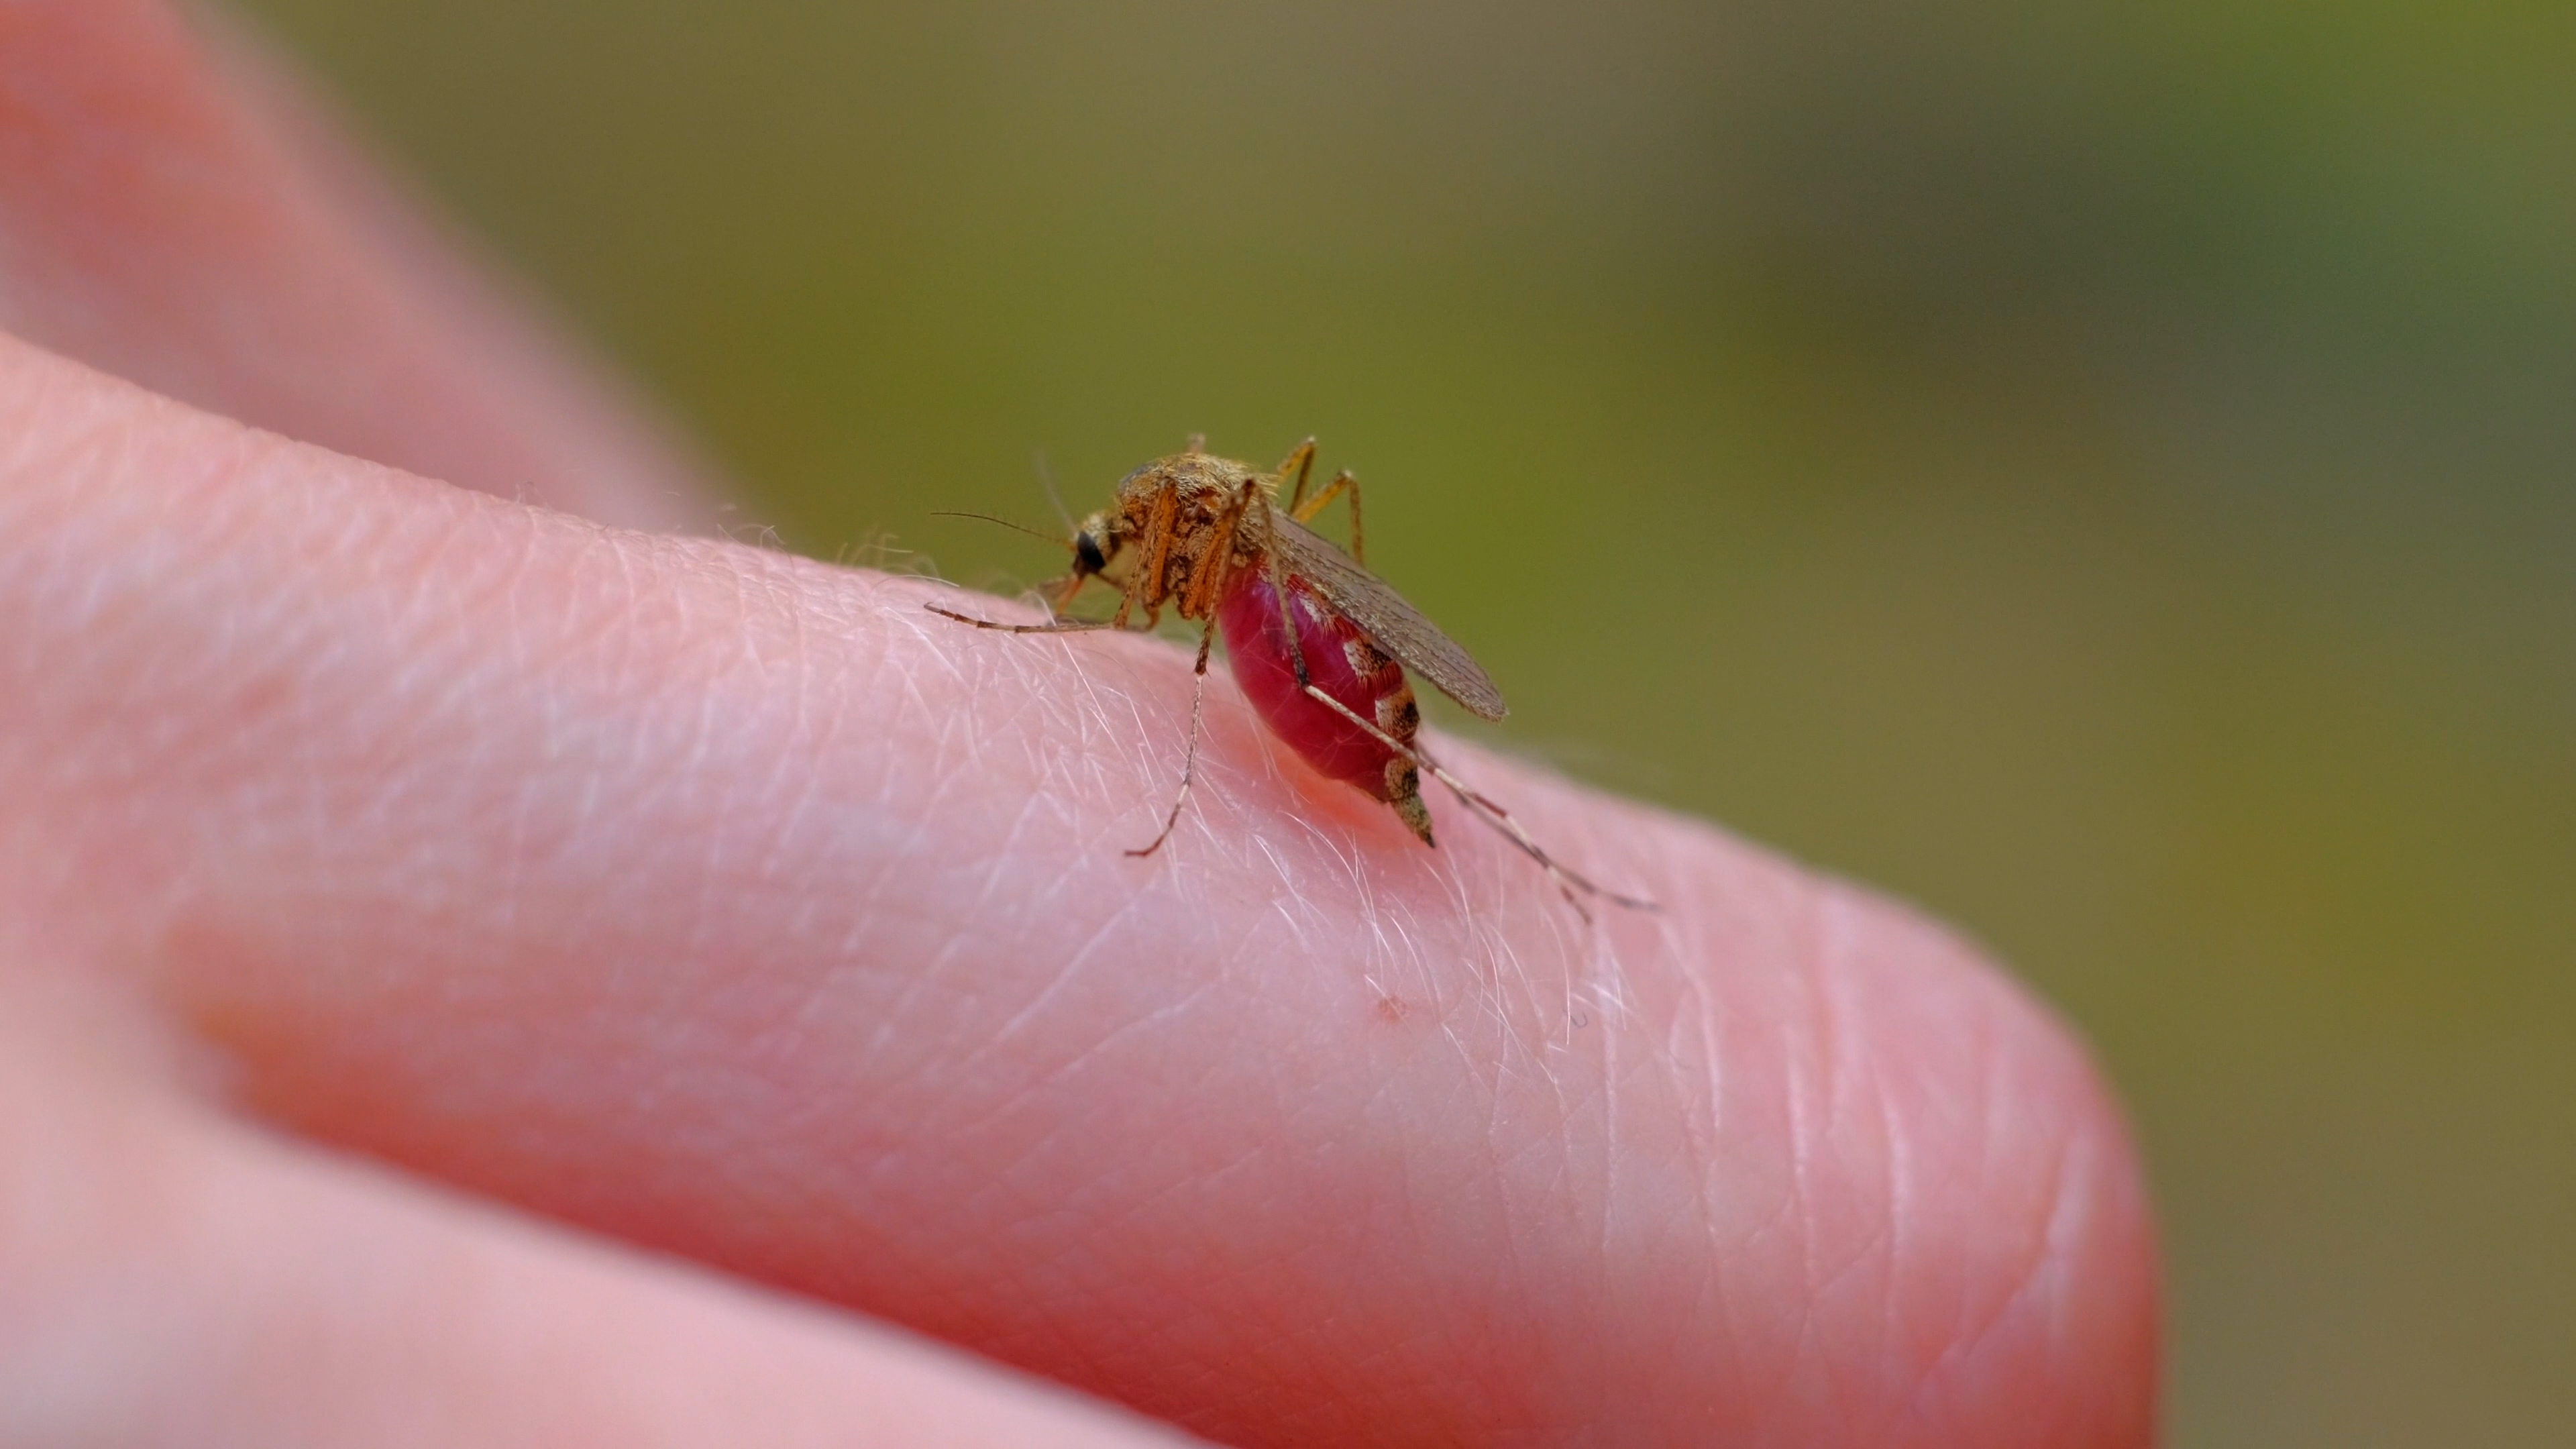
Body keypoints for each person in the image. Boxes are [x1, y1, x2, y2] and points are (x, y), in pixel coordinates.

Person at [0, 4, 2157, 1443]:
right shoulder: (1179, 548)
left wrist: (1333, 684)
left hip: (1344, 654)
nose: (1124, 575)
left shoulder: (1239, 555)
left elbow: (1207, 591)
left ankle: (1453, 790)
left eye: (1129, 564)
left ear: (1175, 539)